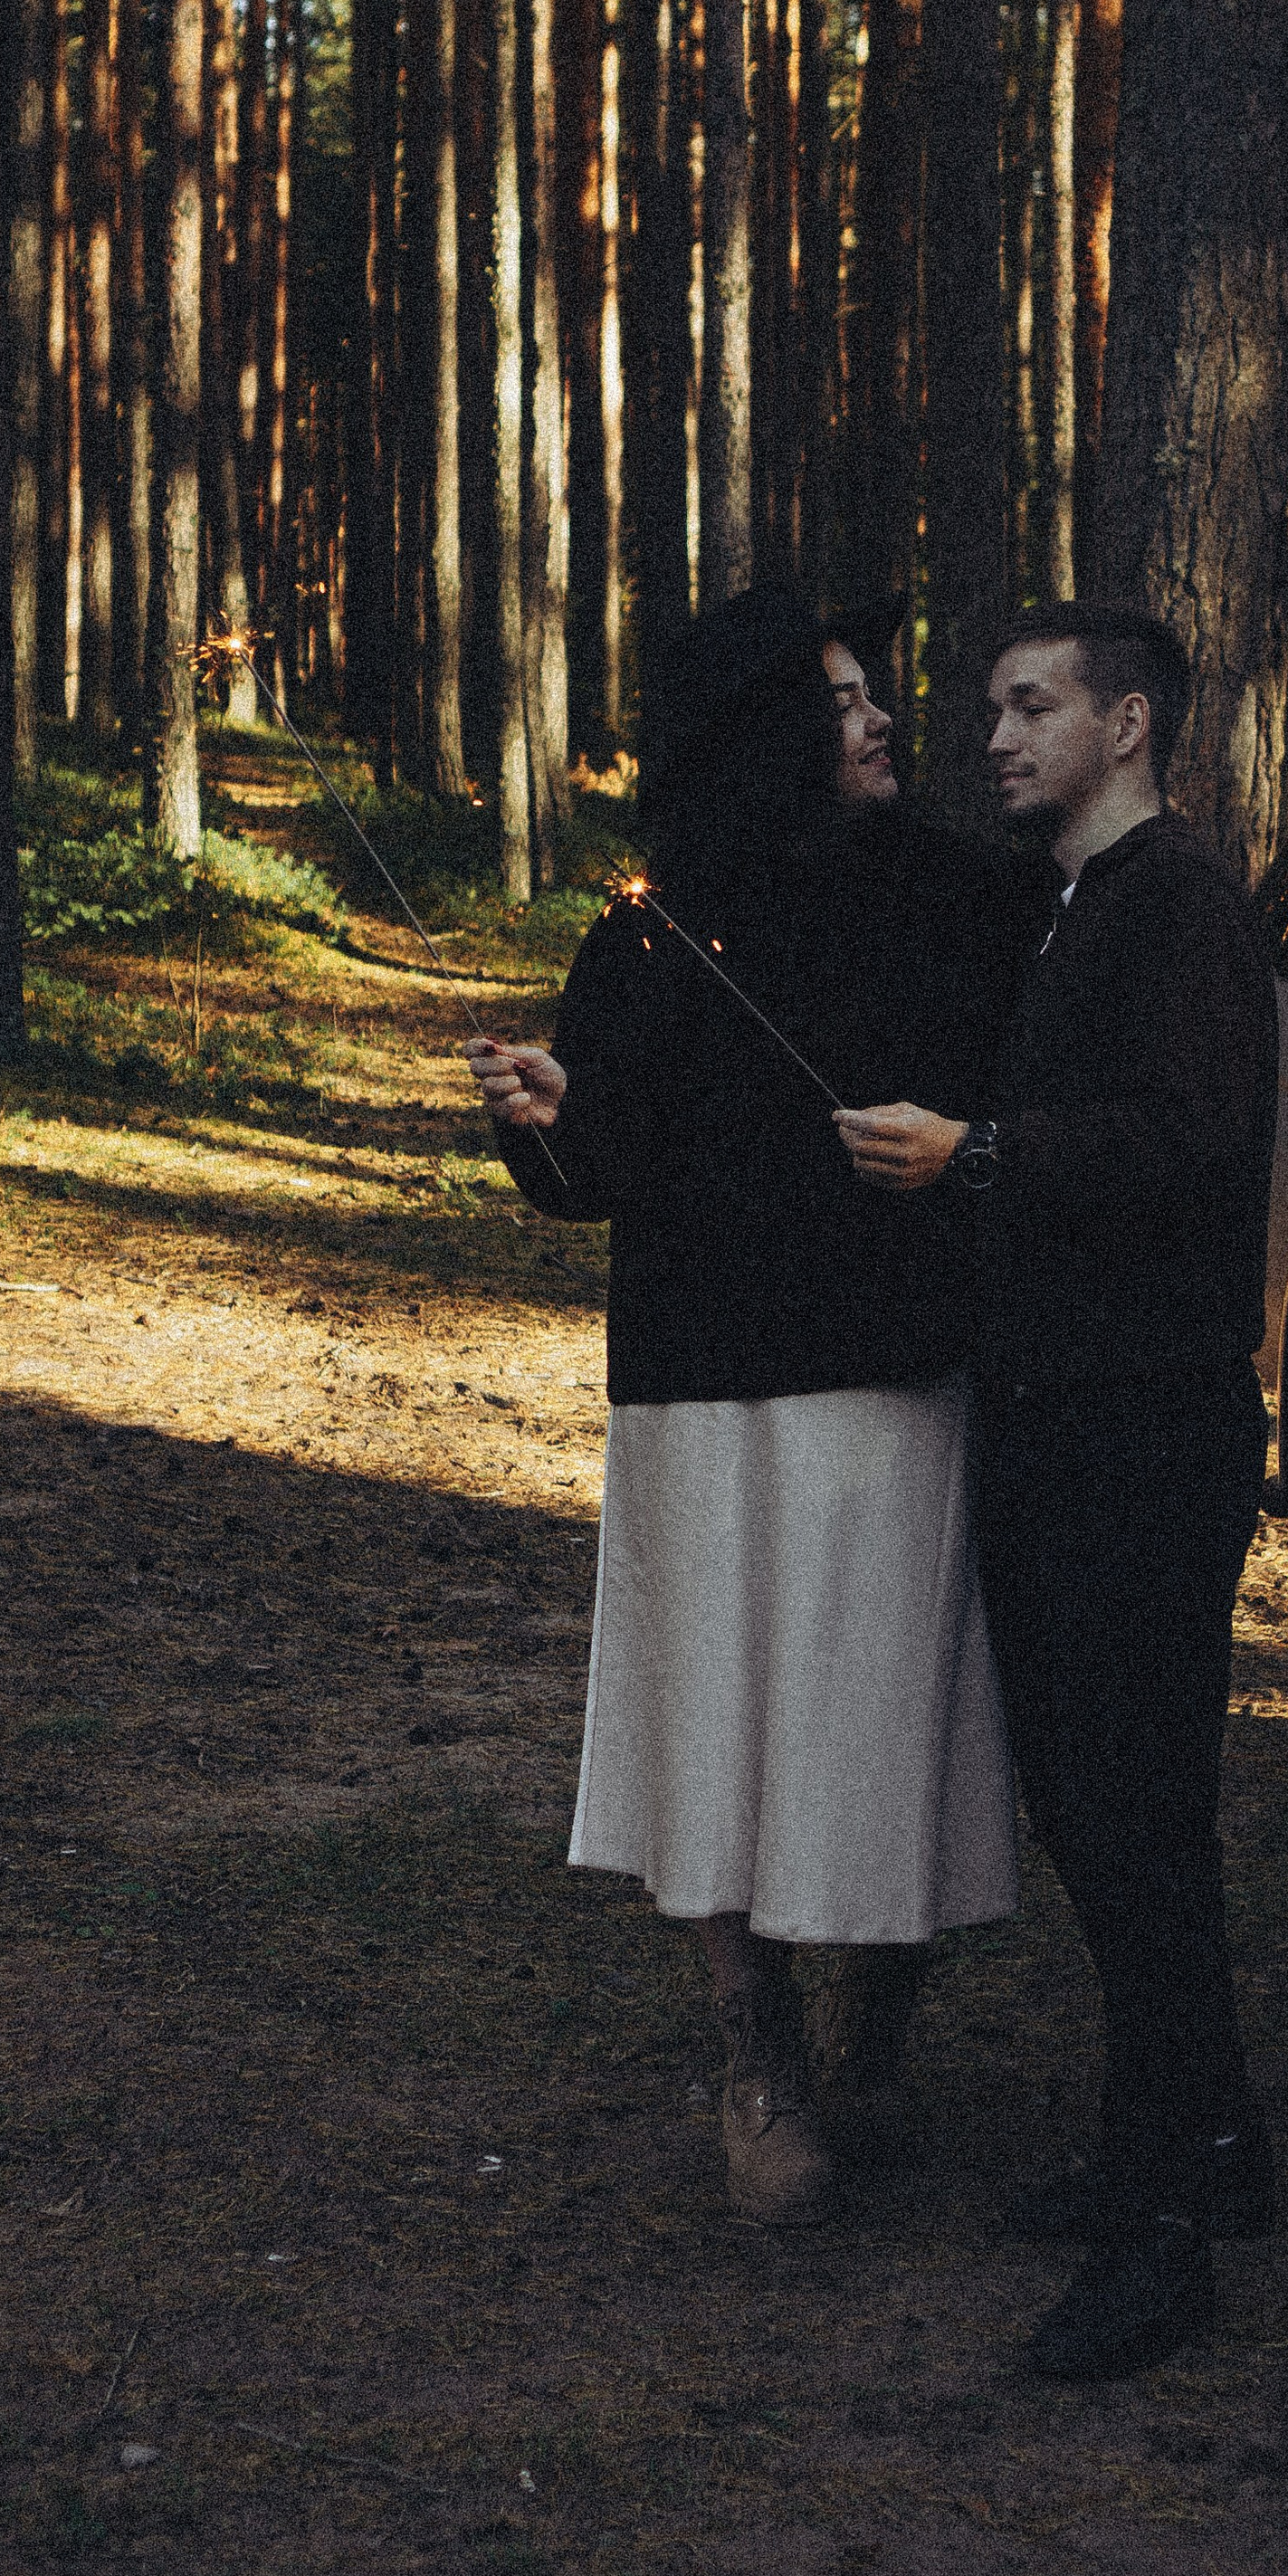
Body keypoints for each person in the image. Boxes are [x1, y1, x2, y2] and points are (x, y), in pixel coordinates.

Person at [468, 584, 1028, 2228]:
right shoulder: (645, 935)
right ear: (761, 737)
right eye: (839, 702)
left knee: (868, 1712)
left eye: (873, 696)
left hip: (886, 1369)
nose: (876, 725)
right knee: (716, 1716)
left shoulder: (961, 900)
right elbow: (600, 1177)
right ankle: (754, 2051)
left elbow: (1011, 1119)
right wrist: (549, 1120)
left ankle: (876, 1997)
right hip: (704, 1383)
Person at [835, 603, 1280, 2382]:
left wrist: (983, 1155)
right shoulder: (1075, 907)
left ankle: (1159, 2230)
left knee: (1133, 1831)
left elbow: (1193, 1145)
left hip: (1141, 1437)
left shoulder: (1179, 908)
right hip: (1065, 1419)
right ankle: (1211, 2149)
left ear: (1129, 721)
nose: (996, 736)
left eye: (1032, 706)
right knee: (1118, 1825)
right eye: (987, 705)